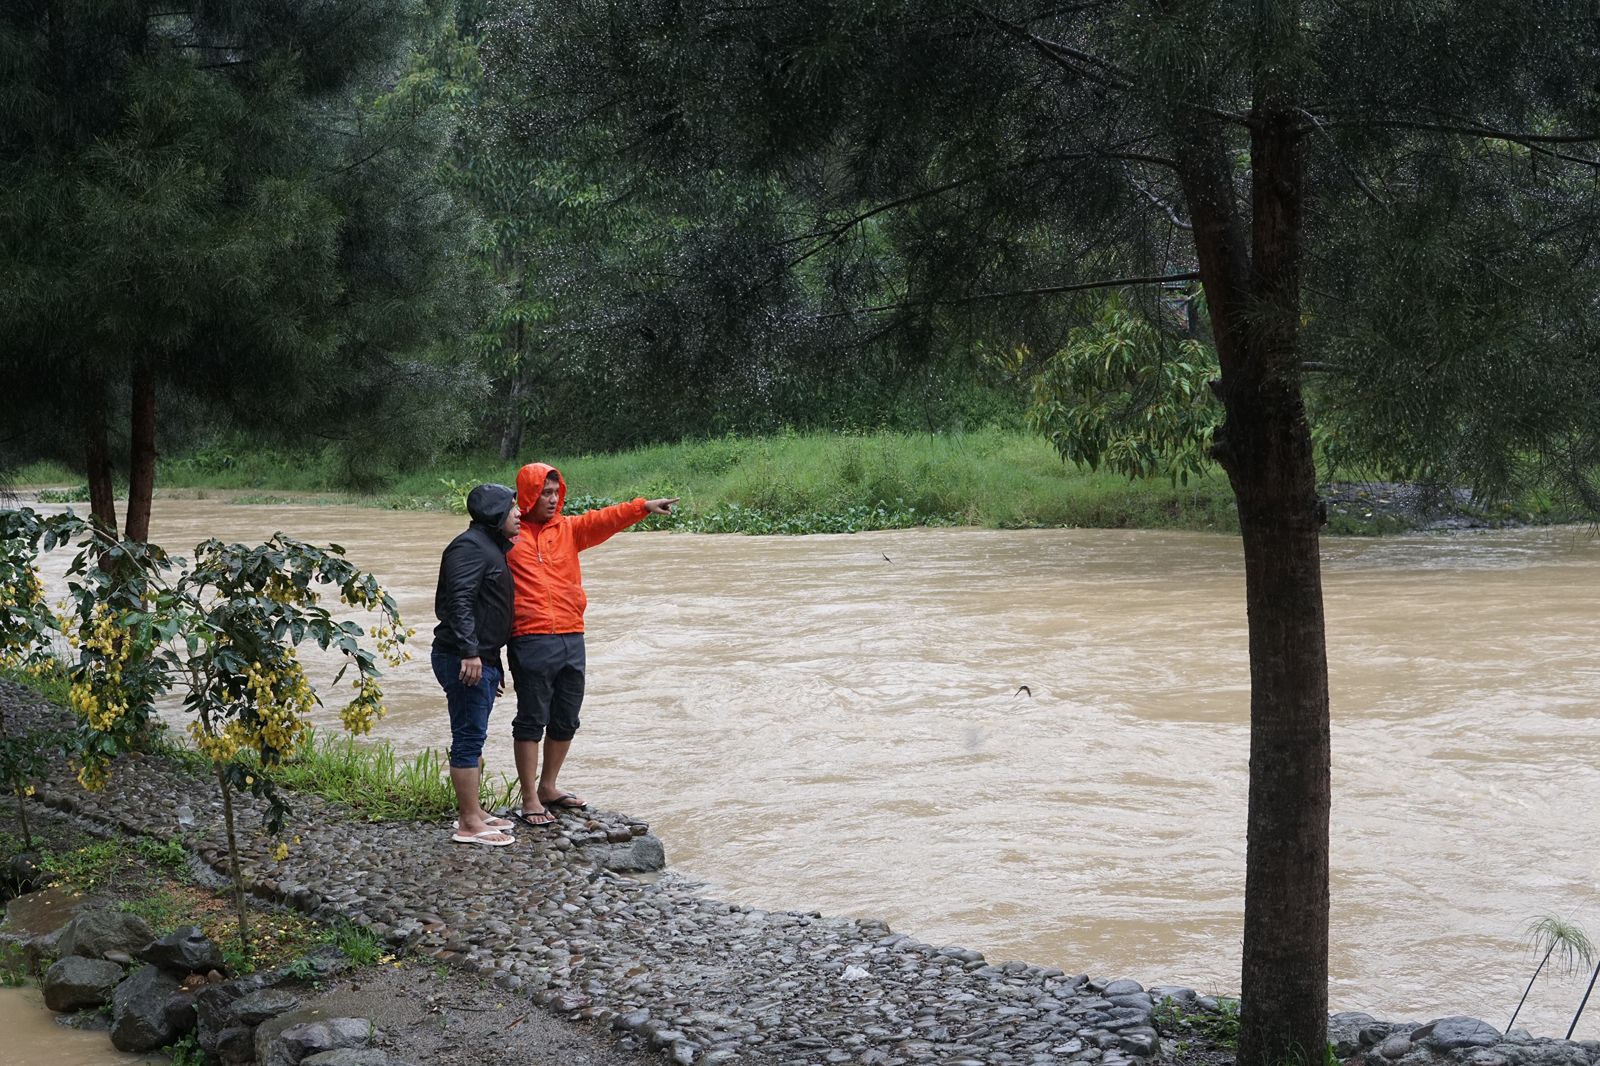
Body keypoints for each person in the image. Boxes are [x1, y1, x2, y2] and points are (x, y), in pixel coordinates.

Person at [505, 462, 676, 827]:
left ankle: (548, 787)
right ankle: (530, 797)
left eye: (556, 493)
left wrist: (643, 507)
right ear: (528, 495)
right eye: (544, 493)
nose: (552, 499)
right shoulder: (508, 535)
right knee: (531, 719)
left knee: (567, 717)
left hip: (572, 635)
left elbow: (605, 519)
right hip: (529, 637)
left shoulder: (569, 529)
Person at [432, 483, 521, 847]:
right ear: (495, 513)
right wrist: (471, 653)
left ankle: (475, 811)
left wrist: (491, 661)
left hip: (478, 657)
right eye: (512, 508)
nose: (518, 514)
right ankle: (468, 822)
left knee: (474, 734)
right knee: (468, 737)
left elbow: (485, 608)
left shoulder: (488, 546)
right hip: (461, 657)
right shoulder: (469, 547)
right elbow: (460, 602)